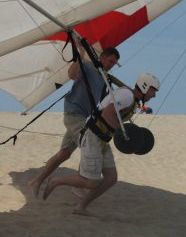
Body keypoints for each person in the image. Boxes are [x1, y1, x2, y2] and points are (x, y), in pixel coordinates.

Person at [42, 73, 160, 216]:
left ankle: (81, 206)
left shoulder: (131, 100)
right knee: (91, 181)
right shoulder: (127, 96)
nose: (154, 96)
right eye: (153, 91)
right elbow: (107, 113)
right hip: (93, 137)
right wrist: (122, 133)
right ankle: (55, 181)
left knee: (111, 178)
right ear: (145, 86)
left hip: (102, 139)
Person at [28, 47, 120, 198]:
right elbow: (71, 74)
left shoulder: (105, 79)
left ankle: (37, 181)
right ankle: (80, 184)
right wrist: (81, 55)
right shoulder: (88, 68)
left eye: (114, 63)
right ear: (102, 57)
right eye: (110, 61)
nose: (111, 65)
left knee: (64, 154)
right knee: (90, 143)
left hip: (85, 119)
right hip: (74, 113)